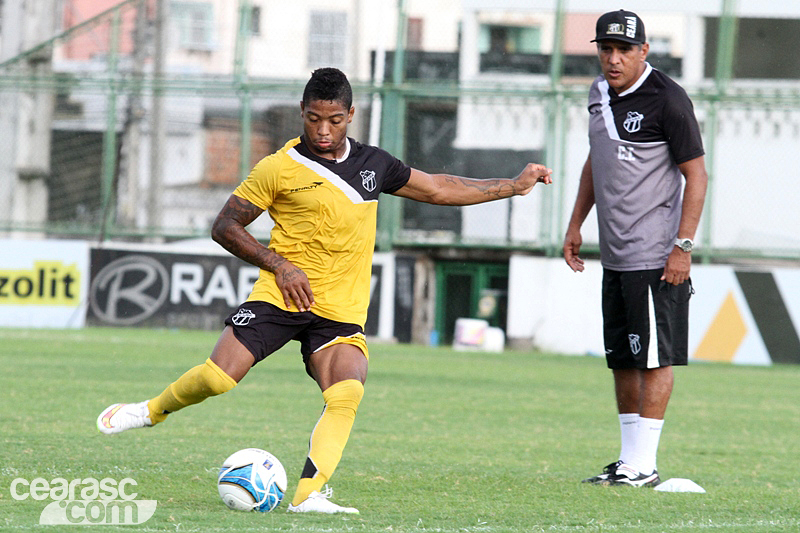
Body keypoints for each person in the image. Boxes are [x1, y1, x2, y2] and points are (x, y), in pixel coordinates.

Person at [97, 67, 552, 513]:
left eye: (334, 120)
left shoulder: (373, 165)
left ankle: (308, 494)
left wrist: (512, 186)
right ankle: (150, 410)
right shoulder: (278, 167)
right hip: (280, 296)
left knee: (347, 392)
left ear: (350, 114)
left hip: (339, 309)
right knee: (218, 378)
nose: (324, 130)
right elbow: (225, 225)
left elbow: (437, 189)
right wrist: (280, 265)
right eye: (314, 118)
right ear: (302, 112)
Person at [563, 10, 708, 487]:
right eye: (606, 48)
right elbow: (596, 160)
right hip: (616, 254)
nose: (613, 58)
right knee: (622, 358)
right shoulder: (598, 94)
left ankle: (645, 463)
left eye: (624, 49)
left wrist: (682, 247)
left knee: (655, 357)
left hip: (657, 254)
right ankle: (629, 462)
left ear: (644, 51)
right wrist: (576, 223)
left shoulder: (668, 99)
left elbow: (697, 175)